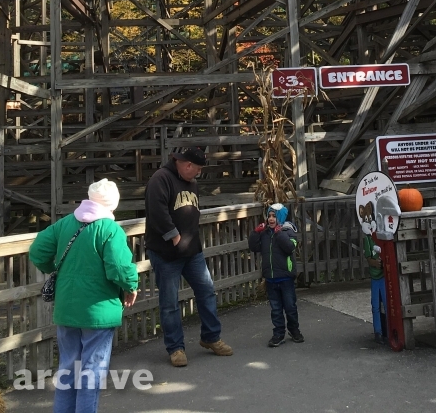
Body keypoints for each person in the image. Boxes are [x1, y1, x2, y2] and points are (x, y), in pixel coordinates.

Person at [29, 179, 138, 413]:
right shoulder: (110, 230)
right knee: (92, 371)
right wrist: (131, 286)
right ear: (114, 204)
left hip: (67, 306)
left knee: (68, 368)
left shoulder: (65, 223)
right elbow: (119, 268)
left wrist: (54, 267)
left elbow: (38, 250)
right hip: (98, 310)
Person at [144, 147, 233, 367]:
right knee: (170, 303)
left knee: (207, 292)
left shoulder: (191, 182)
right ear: (187, 165)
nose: (199, 173)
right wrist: (174, 237)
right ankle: (175, 348)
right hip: (166, 254)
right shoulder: (160, 179)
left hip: (192, 252)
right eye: (198, 169)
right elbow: (156, 211)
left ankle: (211, 337)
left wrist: (191, 240)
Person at [248, 202, 303, 347]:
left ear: (281, 217)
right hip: (271, 278)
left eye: (274, 216)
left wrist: (279, 233)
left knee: (290, 306)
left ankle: (294, 329)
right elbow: (253, 247)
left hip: (286, 277)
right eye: (269, 216)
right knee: (276, 309)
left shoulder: (288, 231)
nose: (271, 219)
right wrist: (256, 232)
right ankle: (278, 333)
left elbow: (290, 247)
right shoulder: (265, 234)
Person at [364, 232, 386, 344]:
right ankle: (378, 332)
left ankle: (388, 329)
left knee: (387, 304)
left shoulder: (384, 235)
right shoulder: (368, 238)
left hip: (384, 276)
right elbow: (369, 258)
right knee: (375, 305)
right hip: (375, 276)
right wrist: (375, 263)